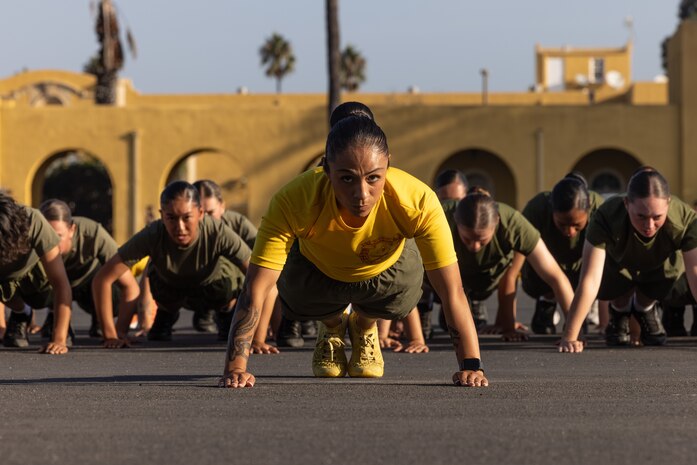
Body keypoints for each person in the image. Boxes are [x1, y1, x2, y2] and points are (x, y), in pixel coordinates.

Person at [220, 106, 487, 388]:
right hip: (317, 273)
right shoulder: (294, 201)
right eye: (347, 178)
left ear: (388, 165)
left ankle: (364, 324)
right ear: (325, 169)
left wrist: (471, 365)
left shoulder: (417, 200)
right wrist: (236, 367)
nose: (361, 194)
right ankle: (333, 324)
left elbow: (451, 290)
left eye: (374, 177)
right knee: (293, 291)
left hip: (386, 272)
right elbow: (256, 288)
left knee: (407, 286)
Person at [92, 181, 252, 347]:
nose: (180, 227)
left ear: (201, 213)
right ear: (162, 215)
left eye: (187, 217)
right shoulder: (153, 234)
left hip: (213, 289)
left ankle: (226, 314)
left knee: (231, 276)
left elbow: (259, 275)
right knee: (155, 276)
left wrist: (257, 334)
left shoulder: (217, 232)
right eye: (171, 218)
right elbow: (102, 279)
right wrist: (114, 335)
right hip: (170, 289)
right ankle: (165, 315)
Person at [560, 167, 697, 352]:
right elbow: (590, 279)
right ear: (626, 204)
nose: (649, 225)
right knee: (605, 279)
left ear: (668, 204)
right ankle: (619, 311)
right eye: (641, 216)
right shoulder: (606, 216)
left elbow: (695, 273)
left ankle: (645, 308)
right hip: (617, 270)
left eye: (657, 217)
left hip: (660, 273)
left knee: (679, 276)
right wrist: (570, 336)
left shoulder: (685, 219)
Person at [448, 187, 574, 341]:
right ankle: (427, 309)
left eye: (482, 240)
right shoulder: (442, 218)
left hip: (493, 275)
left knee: (510, 270)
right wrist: (416, 338)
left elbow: (556, 276)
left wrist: (573, 332)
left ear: (497, 223)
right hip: (448, 275)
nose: (475, 246)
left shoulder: (513, 223)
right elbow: (412, 268)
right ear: (456, 221)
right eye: (468, 239)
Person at [503, 173, 604, 334]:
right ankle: (546, 301)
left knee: (602, 269)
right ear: (552, 210)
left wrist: (604, 324)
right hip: (542, 271)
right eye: (562, 224)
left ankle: (587, 311)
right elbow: (513, 271)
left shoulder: (600, 209)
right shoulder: (536, 209)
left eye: (577, 225)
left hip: (582, 269)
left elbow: (607, 266)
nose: (569, 231)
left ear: (588, 209)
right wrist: (508, 324)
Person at [193, 179, 278, 354]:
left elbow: (267, 268)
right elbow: (151, 270)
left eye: (210, 212)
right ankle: (172, 316)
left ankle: (292, 321)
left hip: (230, 285)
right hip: (194, 285)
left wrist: (262, 335)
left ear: (222, 206)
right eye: (200, 213)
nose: (205, 219)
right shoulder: (183, 228)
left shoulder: (235, 225)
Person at [38, 199, 140, 340]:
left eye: (58, 236)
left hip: (87, 286)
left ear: (72, 230)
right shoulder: (32, 236)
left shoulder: (93, 234)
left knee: (111, 281)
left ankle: (101, 316)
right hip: (50, 288)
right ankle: (53, 316)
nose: (51, 242)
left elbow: (130, 286)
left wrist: (118, 333)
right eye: (46, 236)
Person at [0, 192, 72, 354]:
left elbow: (60, 283)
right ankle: (21, 313)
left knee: (47, 291)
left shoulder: (34, 221)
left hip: (37, 277)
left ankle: (57, 317)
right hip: (5, 279)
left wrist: (59, 340)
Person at [420, 169, 469, 338]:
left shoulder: (474, 217)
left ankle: (472, 305)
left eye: (456, 201)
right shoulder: (427, 216)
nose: (449, 207)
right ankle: (423, 309)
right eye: (445, 201)